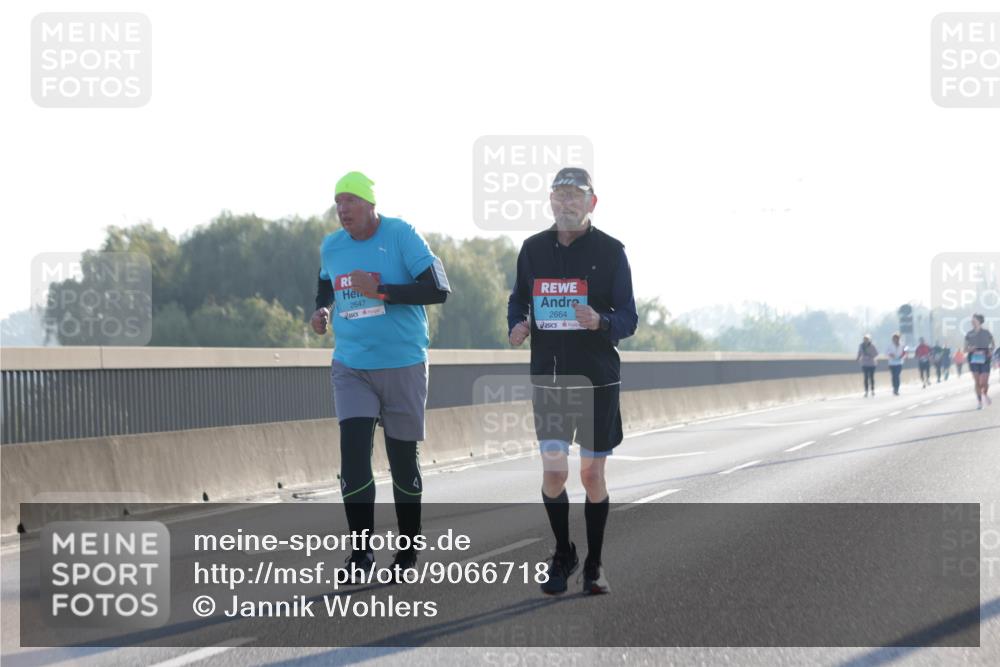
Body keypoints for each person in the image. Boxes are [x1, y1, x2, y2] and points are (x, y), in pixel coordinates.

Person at [311, 171, 451, 581]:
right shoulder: (331, 246)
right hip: (352, 365)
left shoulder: (401, 235)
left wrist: (383, 291)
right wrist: (323, 311)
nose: (342, 210)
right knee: (353, 459)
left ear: (371, 204)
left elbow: (438, 290)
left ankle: (407, 554)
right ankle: (360, 556)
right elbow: (325, 287)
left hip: (403, 362)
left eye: (350, 201)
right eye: (337, 202)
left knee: (402, 462)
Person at [507, 167, 638, 596]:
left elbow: (629, 318)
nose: (566, 203)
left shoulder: (612, 252)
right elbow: (518, 299)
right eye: (559, 195)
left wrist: (602, 321)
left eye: (575, 196)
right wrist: (517, 324)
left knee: (592, 477)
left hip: (597, 378)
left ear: (591, 203)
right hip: (550, 376)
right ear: (550, 202)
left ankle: (596, 564)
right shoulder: (532, 250)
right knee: (554, 473)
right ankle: (563, 553)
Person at [964, 313, 995, 409]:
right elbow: (965, 349)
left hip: (985, 357)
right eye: (972, 321)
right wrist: (970, 349)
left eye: (974, 320)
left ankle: (984, 394)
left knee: (984, 383)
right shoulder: (969, 334)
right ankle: (979, 402)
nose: (972, 322)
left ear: (979, 321)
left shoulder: (986, 332)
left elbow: (993, 344)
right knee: (977, 382)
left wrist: (990, 350)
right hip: (973, 358)